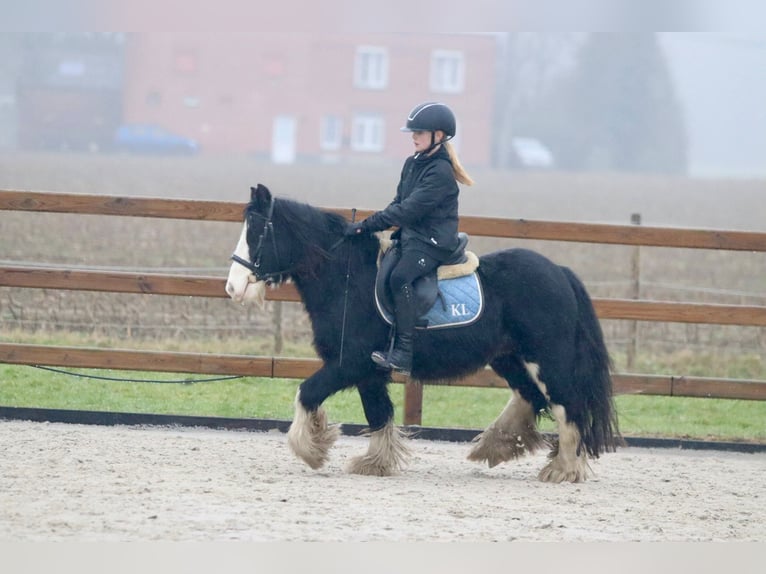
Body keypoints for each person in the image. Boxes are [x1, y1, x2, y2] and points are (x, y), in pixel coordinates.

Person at [345, 101, 474, 376]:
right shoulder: (412, 163)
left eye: (420, 132)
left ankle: (404, 352)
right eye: (413, 132)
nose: (414, 137)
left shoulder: (440, 172)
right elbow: (398, 201)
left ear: (438, 136)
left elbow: (408, 210)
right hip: (413, 238)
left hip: (433, 243)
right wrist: (368, 226)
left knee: (400, 277)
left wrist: (366, 226)